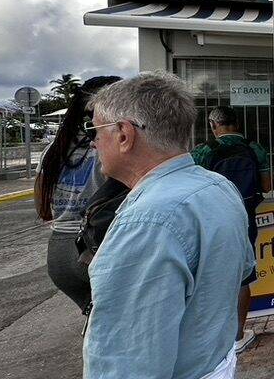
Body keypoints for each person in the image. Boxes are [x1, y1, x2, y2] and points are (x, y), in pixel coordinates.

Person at [83, 72, 254, 378]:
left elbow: (128, 362)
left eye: (95, 131)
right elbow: (241, 272)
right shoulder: (219, 186)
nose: (94, 143)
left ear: (124, 134)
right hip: (217, 360)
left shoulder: (147, 221)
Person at [35, 75, 121, 312]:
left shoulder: (53, 151)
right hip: (95, 247)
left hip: (58, 253)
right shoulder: (111, 147)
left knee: (94, 321)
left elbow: (42, 207)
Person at [192, 106, 272, 353]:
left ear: (213, 126)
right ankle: (237, 335)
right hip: (244, 219)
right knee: (242, 276)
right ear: (236, 124)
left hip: (210, 220)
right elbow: (268, 186)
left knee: (208, 274)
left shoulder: (204, 151)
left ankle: (210, 337)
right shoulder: (254, 148)